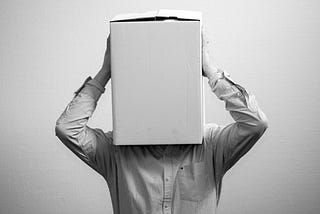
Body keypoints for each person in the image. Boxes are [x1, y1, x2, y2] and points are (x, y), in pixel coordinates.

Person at [55, 30, 268, 214]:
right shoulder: (116, 152)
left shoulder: (211, 144)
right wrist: (106, 71)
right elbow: (67, 129)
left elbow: (255, 123)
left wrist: (209, 69)